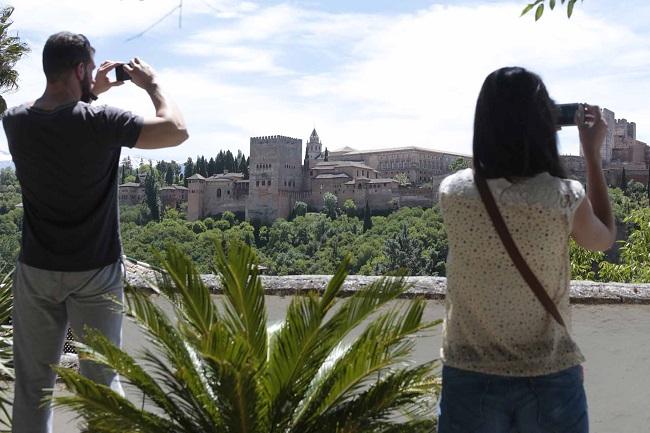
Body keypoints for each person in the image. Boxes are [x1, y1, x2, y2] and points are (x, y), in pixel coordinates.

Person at [2, 32, 188, 432]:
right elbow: (175, 130)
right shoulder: (103, 122)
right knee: (102, 384)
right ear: (81, 69)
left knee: (33, 388)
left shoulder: (14, 122)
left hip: (36, 271)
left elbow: (59, 119)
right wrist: (152, 84)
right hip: (95, 272)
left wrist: (88, 92)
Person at [437, 67, 615, 433]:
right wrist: (591, 156)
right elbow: (604, 239)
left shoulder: (452, 193)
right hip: (549, 376)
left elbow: (491, 178)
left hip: (469, 376)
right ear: (545, 125)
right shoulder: (564, 196)